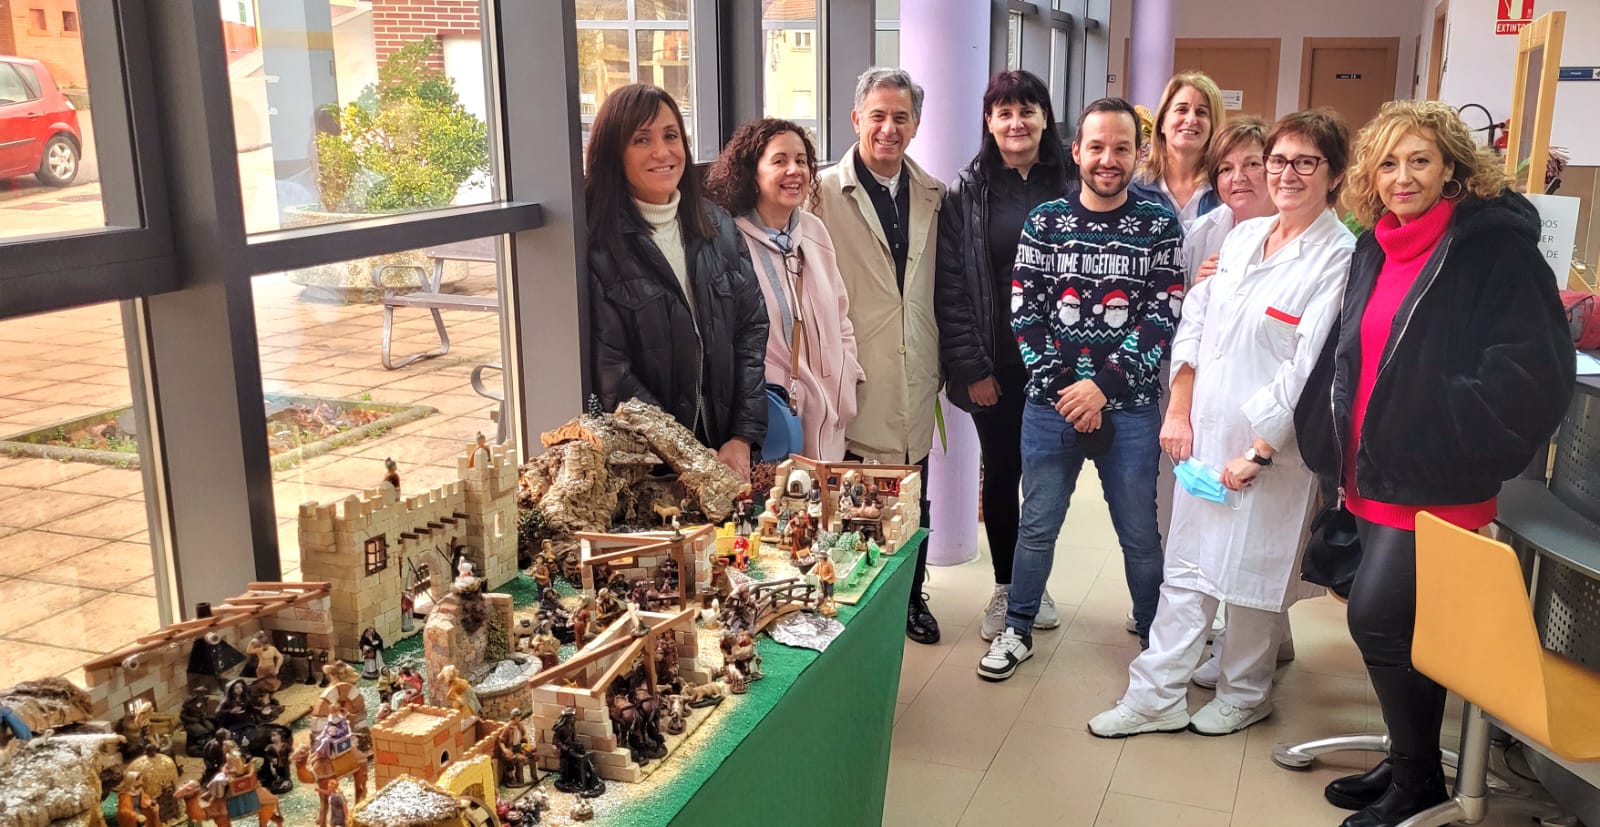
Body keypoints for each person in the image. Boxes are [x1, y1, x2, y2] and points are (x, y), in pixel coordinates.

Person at [1295, 99, 1574, 827]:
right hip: (1371, 470)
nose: (1403, 177)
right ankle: (1404, 759)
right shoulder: (1375, 245)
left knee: (1378, 621)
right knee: (1406, 629)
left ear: (1451, 166)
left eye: (1419, 160)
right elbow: (1352, 348)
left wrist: (1439, 418)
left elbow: (1534, 370)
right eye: (1388, 163)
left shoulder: (1492, 247)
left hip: (1436, 476)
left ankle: (1419, 781)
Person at [1088, 110, 1356, 737]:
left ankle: (1246, 691)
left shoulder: (1338, 258)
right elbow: (1195, 324)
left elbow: (1307, 367)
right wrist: (1178, 409)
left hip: (1271, 450)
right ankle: (1155, 695)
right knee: (1186, 568)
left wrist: (1260, 450)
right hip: (1204, 435)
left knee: (1253, 576)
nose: (1286, 174)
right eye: (1278, 160)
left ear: (1335, 175)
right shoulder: (1243, 237)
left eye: (1305, 162)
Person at [978, 97, 1182, 682]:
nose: (1108, 159)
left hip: (1131, 408)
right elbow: (1025, 313)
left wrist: (1103, 387)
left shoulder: (1159, 224)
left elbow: (1163, 314)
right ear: (1076, 152)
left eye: (1121, 148)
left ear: (1138, 154)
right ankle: (1017, 628)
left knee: (1139, 531)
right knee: (1037, 524)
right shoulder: (1046, 222)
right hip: (1051, 405)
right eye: (1097, 147)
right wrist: (1072, 390)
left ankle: (1155, 635)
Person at [934, 69, 1073, 642]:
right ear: (989, 122)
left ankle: (1033, 584)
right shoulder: (967, 193)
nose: (1016, 122)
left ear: (1044, 118)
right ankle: (1006, 584)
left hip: (1062, 367)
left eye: (1027, 110)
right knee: (1002, 472)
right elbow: (952, 287)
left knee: (1046, 477)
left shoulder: (1073, 182)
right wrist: (973, 369)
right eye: (1004, 112)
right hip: (997, 364)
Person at [815, 67, 945, 644]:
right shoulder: (819, 193)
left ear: (915, 126)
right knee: (852, 500)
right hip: (852, 374)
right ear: (855, 120)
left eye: (901, 117)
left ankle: (912, 600)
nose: (888, 128)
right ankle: (854, 608)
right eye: (878, 116)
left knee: (913, 495)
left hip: (914, 369)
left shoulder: (933, 195)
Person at [586, 83, 769, 480]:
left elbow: (751, 329)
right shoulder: (597, 246)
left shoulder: (717, 225)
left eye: (671, 136)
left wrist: (742, 436)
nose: (662, 152)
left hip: (725, 454)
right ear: (614, 152)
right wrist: (687, 455)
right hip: (652, 469)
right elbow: (613, 374)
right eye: (641, 139)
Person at [704, 118, 864, 461]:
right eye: (780, 161)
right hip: (771, 429)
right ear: (752, 173)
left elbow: (841, 317)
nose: (794, 170)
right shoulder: (728, 243)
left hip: (830, 428)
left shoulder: (814, 231)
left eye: (801, 160)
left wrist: (847, 377)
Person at [1181, 117, 1274, 287]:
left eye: (1252, 164)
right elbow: (1183, 298)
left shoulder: (1297, 230)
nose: (1238, 178)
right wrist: (1198, 289)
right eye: (1226, 169)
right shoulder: (1201, 231)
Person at [1130, 72, 1225, 232]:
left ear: (1213, 126)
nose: (1191, 120)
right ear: (1162, 123)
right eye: (1182, 109)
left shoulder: (1224, 189)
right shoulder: (1134, 187)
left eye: (1202, 112)